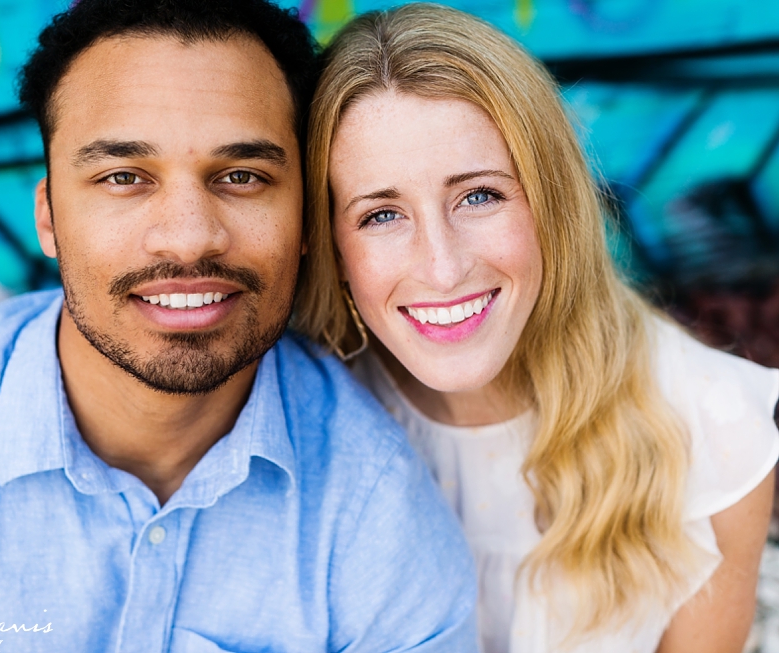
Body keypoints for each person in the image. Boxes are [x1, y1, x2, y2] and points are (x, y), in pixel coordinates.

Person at [0, 1, 479, 651]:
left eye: (241, 175)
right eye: (125, 176)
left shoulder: (375, 506)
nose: (188, 240)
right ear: (48, 218)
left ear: (305, 219)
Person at [295, 4, 779, 653]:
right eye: (381, 214)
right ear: (330, 244)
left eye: (480, 196)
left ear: (552, 202)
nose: (442, 268)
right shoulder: (297, 420)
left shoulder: (714, 428)